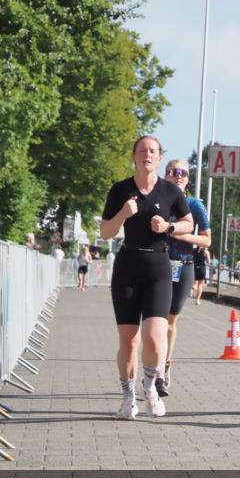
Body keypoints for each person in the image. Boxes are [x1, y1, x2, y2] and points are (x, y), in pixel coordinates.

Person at [100, 136, 194, 420]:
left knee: (154, 339)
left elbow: (189, 222)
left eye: (153, 151)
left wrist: (169, 226)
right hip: (128, 266)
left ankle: (150, 386)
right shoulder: (121, 190)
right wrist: (123, 215)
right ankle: (128, 397)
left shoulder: (170, 191)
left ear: (159, 157)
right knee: (129, 342)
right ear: (133, 156)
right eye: (142, 150)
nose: (147, 155)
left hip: (158, 268)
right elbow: (105, 231)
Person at [159, 159, 211, 396]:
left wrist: (183, 236)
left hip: (183, 265)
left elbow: (207, 240)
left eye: (183, 173)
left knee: (170, 320)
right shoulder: (157, 202)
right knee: (154, 319)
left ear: (188, 179)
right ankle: (155, 370)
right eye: (173, 172)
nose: (178, 176)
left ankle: (165, 365)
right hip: (156, 264)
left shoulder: (194, 205)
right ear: (166, 175)